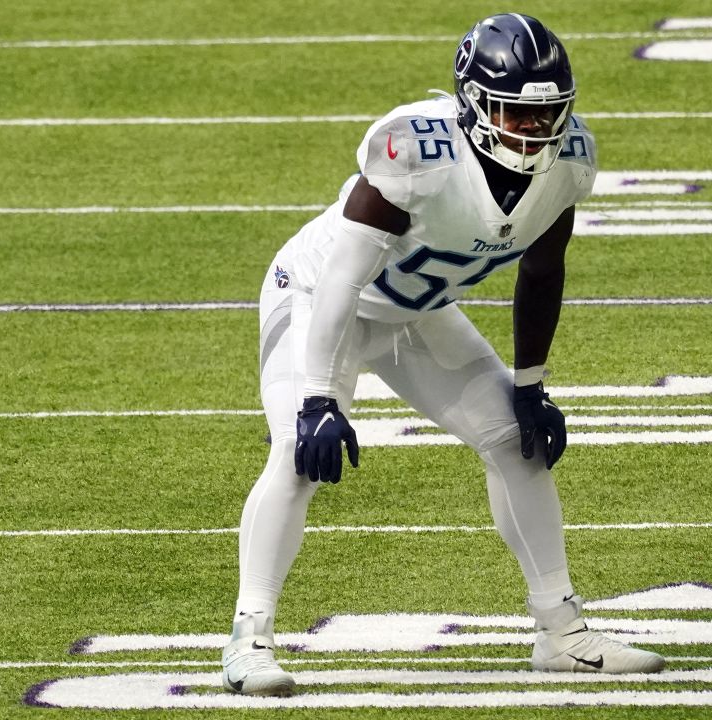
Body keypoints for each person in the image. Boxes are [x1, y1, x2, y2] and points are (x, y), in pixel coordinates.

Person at [222, 13, 664, 697]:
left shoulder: (568, 163)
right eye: (515, 114)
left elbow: (543, 272)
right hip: (318, 300)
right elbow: (343, 278)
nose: (533, 131)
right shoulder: (416, 151)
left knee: (517, 442)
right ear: (474, 105)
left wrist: (531, 384)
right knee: (294, 452)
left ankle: (560, 633)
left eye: (545, 115)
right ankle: (250, 638)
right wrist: (317, 397)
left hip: (416, 312)